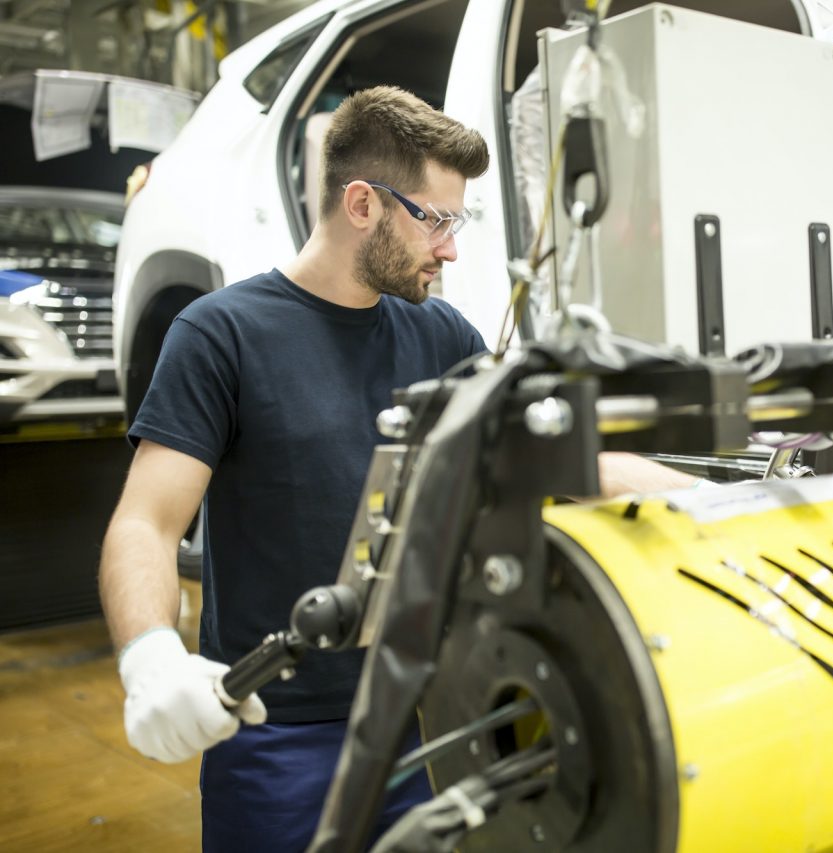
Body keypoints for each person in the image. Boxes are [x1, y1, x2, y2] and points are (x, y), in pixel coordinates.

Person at [99, 85, 693, 852]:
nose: (449, 246)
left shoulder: (442, 334)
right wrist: (151, 656)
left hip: (429, 718)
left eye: (458, 220)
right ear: (361, 204)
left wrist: (725, 502)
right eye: (436, 219)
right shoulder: (221, 335)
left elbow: (557, 454)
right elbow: (146, 521)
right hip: (276, 736)